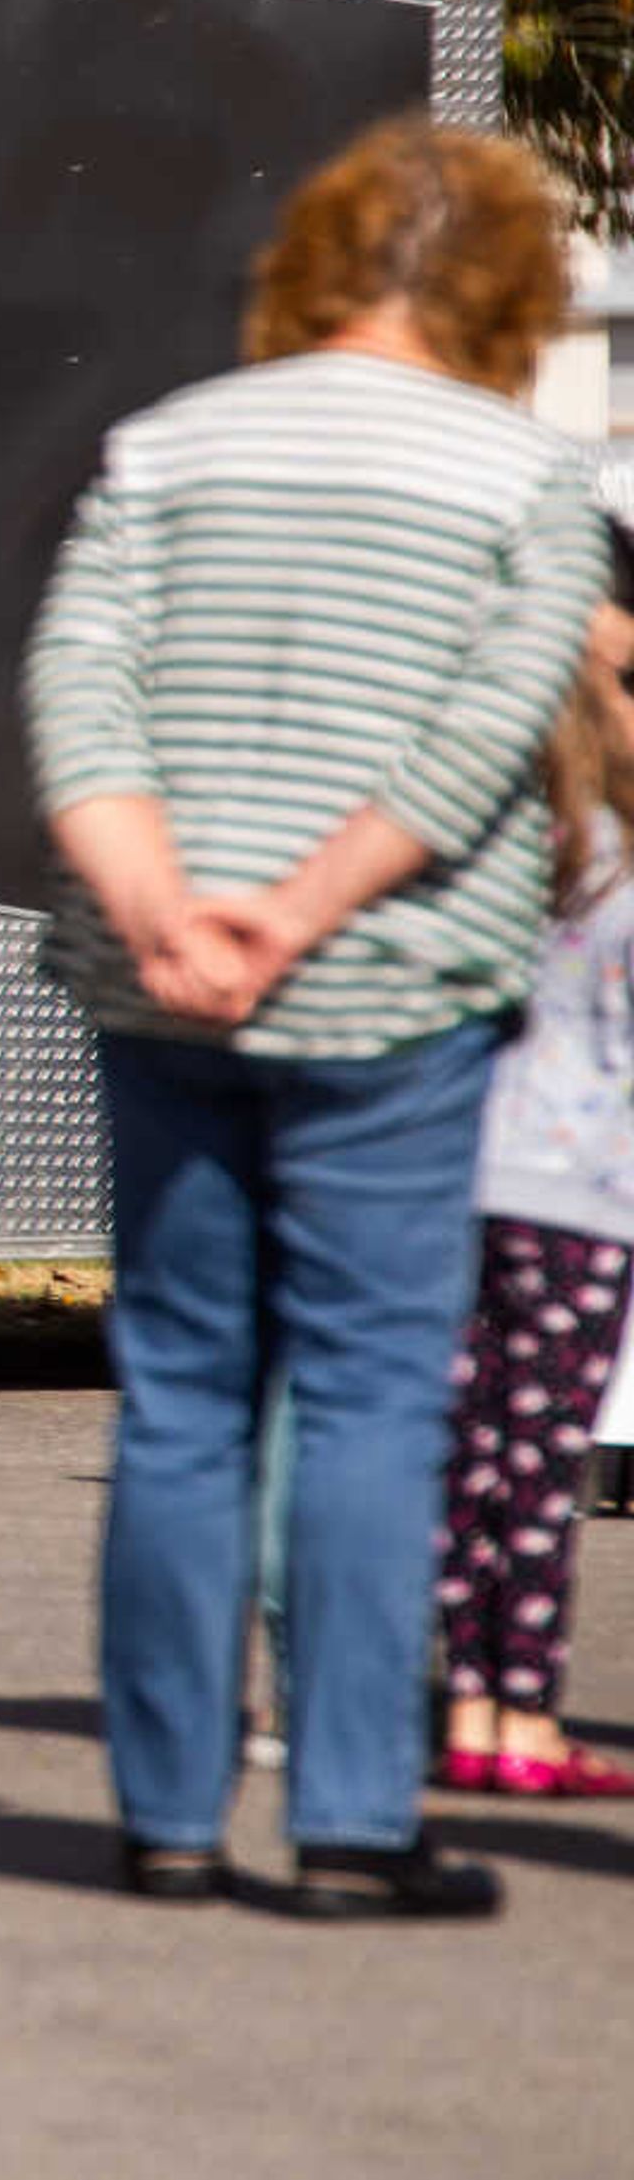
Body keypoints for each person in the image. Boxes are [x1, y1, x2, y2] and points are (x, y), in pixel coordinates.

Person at [23, 115, 605, 1918]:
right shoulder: (531, 484)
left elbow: (76, 687)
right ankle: (353, 1820)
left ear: (315, 263)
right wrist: (300, 908)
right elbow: (486, 732)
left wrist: (164, 907)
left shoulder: (164, 446)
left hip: (161, 987)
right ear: (509, 293)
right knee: (367, 1401)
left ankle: (169, 1816)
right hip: (390, 992)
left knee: (182, 1392)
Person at [437, 539, 634, 1799]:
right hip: (583, 1192)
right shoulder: (617, 841)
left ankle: (467, 1699)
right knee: (546, 1460)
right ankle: (529, 1716)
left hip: (467, 1167)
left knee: (476, 1452)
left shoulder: (505, 831)